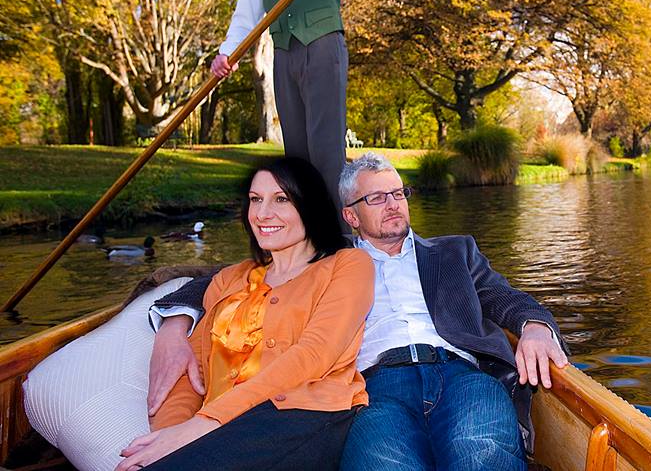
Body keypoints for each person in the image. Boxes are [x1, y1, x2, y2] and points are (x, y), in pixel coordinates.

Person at [147, 153, 569, 470]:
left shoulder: (454, 251)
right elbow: (219, 279)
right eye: (377, 198)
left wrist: (535, 326)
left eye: (399, 193)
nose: (393, 204)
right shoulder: (325, 260)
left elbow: (504, 297)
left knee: (481, 453)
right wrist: (174, 324)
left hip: (461, 373)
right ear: (350, 215)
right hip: (373, 388)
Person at [117, 157, 373, 471]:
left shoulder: (348, 265)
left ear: (311, 206)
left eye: (281, 199)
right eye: (255, 200)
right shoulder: (229, 279)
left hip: (306, 414)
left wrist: (203, 424)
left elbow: (313, 355)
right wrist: (170, 435)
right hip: (221, 429)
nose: (263, 213)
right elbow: (192, 371)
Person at [210, 0, 416, 216]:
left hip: (322, 46)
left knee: (326, 151)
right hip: (284, 53)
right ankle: (309, 239)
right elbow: (246, 14)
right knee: (297, 156)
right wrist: (227, 52)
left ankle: (340, 241)